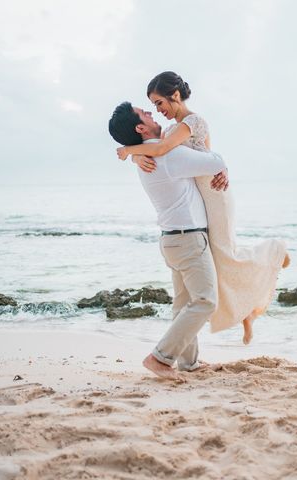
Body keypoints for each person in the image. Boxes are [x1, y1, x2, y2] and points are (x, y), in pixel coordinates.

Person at [117, 71, 290, 344]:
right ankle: (245, 314)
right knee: (220, 261)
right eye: (152, 107)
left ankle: (274, 252)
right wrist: (136, 156)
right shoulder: (171, 131)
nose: (157, 111)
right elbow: (163, 152)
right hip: (201, 194)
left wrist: (129, 151)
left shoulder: (191, 122)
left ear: (175, 96)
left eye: (159, 103)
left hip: (214, 193)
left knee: (225, 252)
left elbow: (163, 150)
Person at [108, 101, 227, 381]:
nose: (151, 113)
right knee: (206, 301)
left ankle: (189, 363)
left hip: (174, 240)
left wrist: (132, 152)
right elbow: (217, 161)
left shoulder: (151, 157)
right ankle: (160, 357)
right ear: (140, 127)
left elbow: (160, 149)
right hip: (188, 240)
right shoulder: (169, 157)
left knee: (183, 303)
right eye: (145, 113)